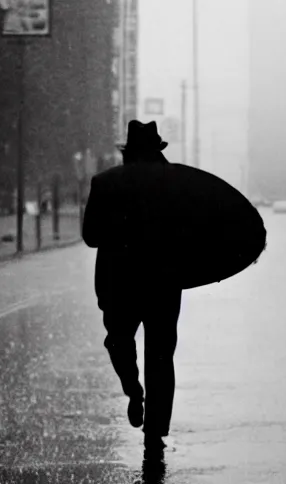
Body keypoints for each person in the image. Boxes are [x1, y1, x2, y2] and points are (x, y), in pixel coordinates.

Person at [82, 120, 182, 453]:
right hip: (163, 282)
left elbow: (90, 236)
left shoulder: (105, 183)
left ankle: (134, 390)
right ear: (157, 152)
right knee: (161, 356)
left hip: (118, 283)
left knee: (119, 342)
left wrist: (120, 230)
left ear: (128, 152)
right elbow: (192, 233)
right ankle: (155, 430)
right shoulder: (175, 184)